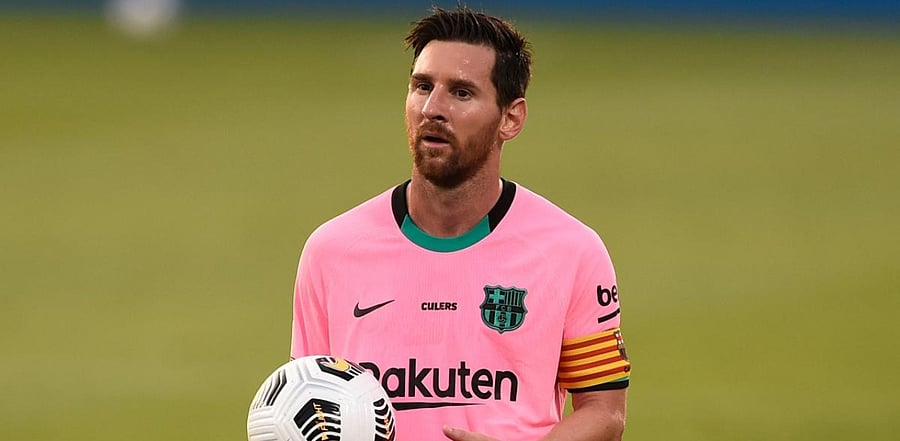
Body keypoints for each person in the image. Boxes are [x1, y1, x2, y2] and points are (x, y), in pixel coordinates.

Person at [290, 5, 630, 441]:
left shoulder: (571, 250)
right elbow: (309, 403)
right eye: (421, 86)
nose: (432, 108)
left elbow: (604, 412)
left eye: (462, 93)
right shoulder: (332, 251)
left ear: (511, 118)